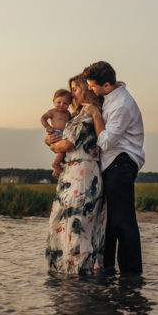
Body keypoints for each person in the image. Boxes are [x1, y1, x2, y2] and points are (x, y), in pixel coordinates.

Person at [84, 61, 145, 275]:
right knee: (110, 221)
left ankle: (131, 276)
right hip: (112, 163)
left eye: (93, 86)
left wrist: (96, 115)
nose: (90, 89)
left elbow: (106, 142)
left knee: (122, 221)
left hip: (121, 162)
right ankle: (108, 270)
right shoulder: (109, 97)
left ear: (107, 85)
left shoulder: (122, 105)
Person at [44, 74, 107, 275]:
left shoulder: (88, 114)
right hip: (72, 171)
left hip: (82, 172)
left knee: (78, 220)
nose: (72, 94)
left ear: (86, 90)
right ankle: (67, 271)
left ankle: (78, 273)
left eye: (75, 90)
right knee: (66, 219)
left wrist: (51, 145)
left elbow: (68, 144)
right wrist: (51, 141)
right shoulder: (76, 115)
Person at [40, 89, 72, 178]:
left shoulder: (67, 113)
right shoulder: (52, 111)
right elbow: (43, 118)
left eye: (65, 103)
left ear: (69, 104)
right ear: (53, 101)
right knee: (62, 151)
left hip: (64, 134)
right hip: (56, 133)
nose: (61, 105)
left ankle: (57, 170)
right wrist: (47, 127)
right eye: (59, 102)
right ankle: (55, 164)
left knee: (65, 153)